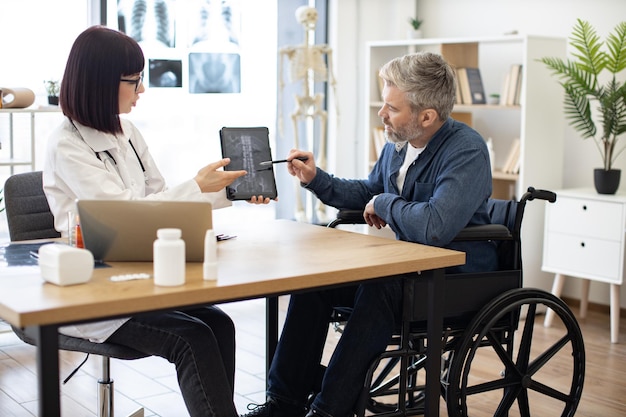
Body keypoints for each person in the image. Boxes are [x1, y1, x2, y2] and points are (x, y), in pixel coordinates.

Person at [243, 51, 498, 417]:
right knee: (315, 283)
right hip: (407, 269)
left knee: (382, 286)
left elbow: (434, 226)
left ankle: (330, 410)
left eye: (392, 108)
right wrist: (317, 179)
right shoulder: (398, 144)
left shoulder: (466, 150)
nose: (382, 114)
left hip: (454, 278)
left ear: (426, 116)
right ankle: (284, 402)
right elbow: (368, 193)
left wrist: (385, 203)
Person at [43, 25, 271, 417]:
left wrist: (225, 190)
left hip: (136, 274)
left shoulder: (126, 131)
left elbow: (158, 198)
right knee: (193, 337)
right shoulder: (67, 143)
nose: (142, 90)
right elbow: (124, 215)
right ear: (100, 82)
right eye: (134, 81)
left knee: (220, 324)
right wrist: (196, 188)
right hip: (92, 291)